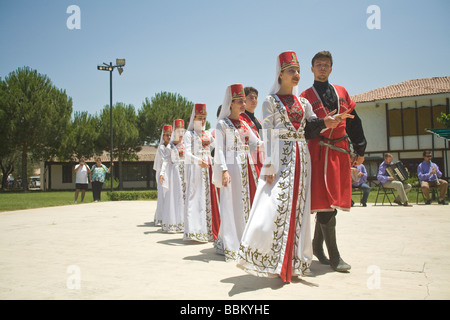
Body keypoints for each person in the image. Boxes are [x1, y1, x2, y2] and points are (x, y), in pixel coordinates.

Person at [237, 51, 350, 282]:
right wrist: (268, 165)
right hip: (281, 160)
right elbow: (268, 134)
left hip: (302, 160)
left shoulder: (303, 102)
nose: (297, 74)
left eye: (298, 70)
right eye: (292, 70)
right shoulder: (270, 101)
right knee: (273, 207)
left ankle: (294, 261)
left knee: (299, 210)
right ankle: (264, 254)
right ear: (280, 74)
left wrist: (327, 122)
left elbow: (310, 128)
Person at [300, 50, 366, 272]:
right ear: (312, 68)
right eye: (318, 64)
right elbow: (304, 129)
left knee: (331, 204)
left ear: (331, 68)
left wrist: (361, 148)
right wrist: (323, 124)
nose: (322, 68)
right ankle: (335, 256)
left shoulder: (342, 92)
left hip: (340, 152)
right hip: (318, 152)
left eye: (326, 65)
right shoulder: (305, 96)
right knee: (325, 203)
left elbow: (354, 121)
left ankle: (317, 246)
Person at [213, 83, 262, 262]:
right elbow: (219, 150)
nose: (243, 104)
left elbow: (257, 142)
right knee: (232, 204)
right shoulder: (221, 124)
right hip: (231, 167)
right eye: (240, 101)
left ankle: (245, 239)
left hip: (246, 167)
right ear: (231, 103)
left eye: (243, 101)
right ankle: (230, 241)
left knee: (246, 203)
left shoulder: (243, 123)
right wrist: (224, 170)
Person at [183, 103, 220, 242]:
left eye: (204, 117)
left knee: (207, 199)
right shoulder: (189, 134)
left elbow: (217, 145)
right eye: (199, 117)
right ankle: (194, 231)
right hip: (196, 169)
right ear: (193, 118)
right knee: (195, 198)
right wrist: (198, 161)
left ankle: (208, 231)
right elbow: (186, 153)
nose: (202, 121)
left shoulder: (207, 134)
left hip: (207, 168)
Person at [159, 119, 186, 233]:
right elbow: (165, 160)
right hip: (174, 173)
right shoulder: (170, 146)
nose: (180, 134)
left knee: (184, 197)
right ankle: (173, 223)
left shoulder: (185, 144)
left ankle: (184, 223)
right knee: (175, 197)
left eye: (182, 131)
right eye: (178, 131)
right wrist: (162, 173)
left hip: (184, 172)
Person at [153, 124, 172, 226]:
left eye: (170, 135)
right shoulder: (161, 148)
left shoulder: (172, 146)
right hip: (162, 174)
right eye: (166, 135)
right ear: (163, 136)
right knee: (162, 196)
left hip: (171, 174)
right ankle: (160, 218)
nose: (168, 137)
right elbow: (165, 160)